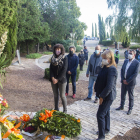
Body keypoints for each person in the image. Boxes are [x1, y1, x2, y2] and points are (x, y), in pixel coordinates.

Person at [94, 50, 118, 140]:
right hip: (103, 94)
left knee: (100, 115)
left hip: (108, 96)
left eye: (105, 58)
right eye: (102, 58)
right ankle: (106, 129)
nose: (103, 60)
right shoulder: (104, 67)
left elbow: (109, 86)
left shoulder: (112, 69)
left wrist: (102, 96)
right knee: (106, 112)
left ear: (110, 59)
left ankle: (101, 136)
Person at [116, 50, 139, 115]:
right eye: (129, 53)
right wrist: (123, 79)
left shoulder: (136, 63)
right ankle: (121, 106)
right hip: (124, 81)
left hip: (130, 83)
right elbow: (122, 70)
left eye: (131, 53)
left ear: (134, 55)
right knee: (123, 94)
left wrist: (128, 80)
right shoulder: (126, 61)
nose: (129, 54)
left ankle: (130, 108)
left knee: (130, 96)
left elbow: (135, 74)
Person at [49, 44, 68, 113]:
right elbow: (51, 69)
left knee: (62, 95)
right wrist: (53, 78)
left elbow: (64, 69)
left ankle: (65, 110)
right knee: (55, 95)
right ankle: (56, 108)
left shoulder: (64, 58)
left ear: (61, 50)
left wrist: (58, 79)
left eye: (59, 49)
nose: (57, 51)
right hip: (53, 80)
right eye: (56, 49)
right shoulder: (52, 58)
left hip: (62, 80)